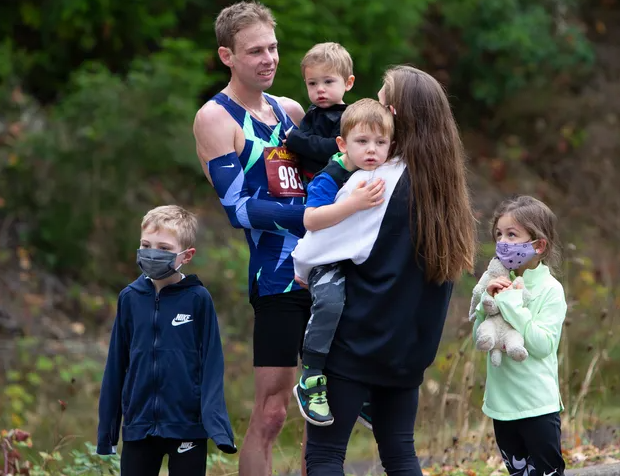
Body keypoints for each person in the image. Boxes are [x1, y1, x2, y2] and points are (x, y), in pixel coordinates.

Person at [194, 2, 358, 475]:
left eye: (273, 48)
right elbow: (239, 210)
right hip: (278, 278)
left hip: (328, 267)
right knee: (272, 412)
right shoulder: (215, 118)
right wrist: (315, 216)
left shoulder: (291, 110)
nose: (268, 59)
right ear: (227, 56)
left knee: (324, 413)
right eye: (254, 52)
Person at [292, 65, 477, 475]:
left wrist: (303, 268)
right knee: (399, 452)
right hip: (409, 350)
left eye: (380, 100)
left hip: (358, 341)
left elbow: (313, 251)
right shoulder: (447, 190)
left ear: (395, 113)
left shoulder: (376, 183)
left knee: (324, 456)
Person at [96, 205, 236, 476]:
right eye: (146, 245)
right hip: (139, 425)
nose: (152, 253)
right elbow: (116, 365)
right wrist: (108, 432)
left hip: (187, 426)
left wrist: (216, 426)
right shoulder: (129, 298)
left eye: (163, 247)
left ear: (187, 255)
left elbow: (212, 366)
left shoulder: (198, 299)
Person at [292, 99, 390, 426]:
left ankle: (361, 391)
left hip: (357, 260)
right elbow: (311, 219)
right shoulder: (331, 176)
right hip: (326, 261)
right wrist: (354, 204)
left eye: (381, 143)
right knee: (331, 304)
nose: (372, 150)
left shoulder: (385, 173)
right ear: (342, 144)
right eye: (362, 142)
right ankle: (311, 378)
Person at [473, 195, 567, 476]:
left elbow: (542, 345)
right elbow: (482, 337)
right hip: (502, 408)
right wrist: (485, 302)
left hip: (537, 406)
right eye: (499, 234)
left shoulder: (550, 289)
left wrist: (512, 304)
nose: (503, 241)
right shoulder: (496, 282)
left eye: (512, 235)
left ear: (538, 245)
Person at [285, 42, 355, 180]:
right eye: (312, 83)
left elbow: (334, 148)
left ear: (348, 83)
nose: (320, 89)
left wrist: (296, 139)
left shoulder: (348, 117)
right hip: (304, 181)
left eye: (328, 82)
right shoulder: (313, 111)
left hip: (332, 183)